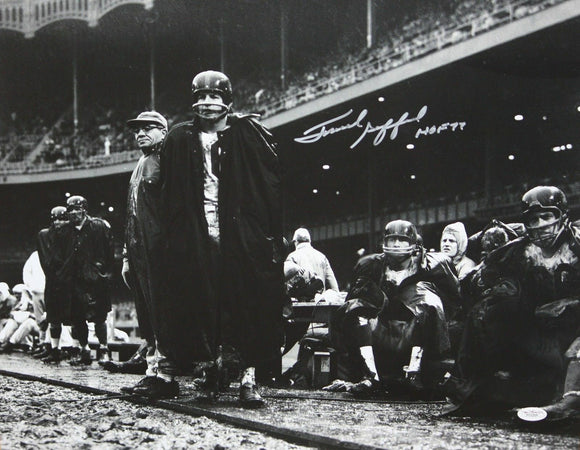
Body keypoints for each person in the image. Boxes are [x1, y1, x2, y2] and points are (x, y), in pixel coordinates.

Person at [153, 70, 285, 406]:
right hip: (196, 234)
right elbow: (168, 192)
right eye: (200, 97)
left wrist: (268, 233)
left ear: (227, 100)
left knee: (246, 303)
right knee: (200, 302)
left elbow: (270, 186)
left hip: (241, 235)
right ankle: (209, 371)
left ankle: (248, 379)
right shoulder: (180, 138)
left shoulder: (249, 134)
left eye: (214, 97)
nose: (207, 103)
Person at [443, 186, 580, 419]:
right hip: (543, 338)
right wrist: (497, 289)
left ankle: (571, 400)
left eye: (547, 216)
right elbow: (472, 285)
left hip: (574, 334)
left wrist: (572, 303)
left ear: (562, 215)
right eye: (533, 219)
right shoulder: (516, 252)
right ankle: (474, 388)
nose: (540, 224)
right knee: (489, 309)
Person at [325, 220, 460, 398]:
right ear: (384, 242)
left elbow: (453, 299)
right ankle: (370, 375)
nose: (396, 244)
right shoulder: (370, 265)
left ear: (413, 242)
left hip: (413, 331)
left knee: (428, 304)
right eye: (392, 239)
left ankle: (414, 373)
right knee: (354, 309)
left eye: (402, 240)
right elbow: (353, 299)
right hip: (380, 327)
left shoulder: (433, 264)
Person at [107, 111, 167, 387]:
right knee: (146, 311)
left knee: (161, 310)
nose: (140, 133)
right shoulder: (140, 163)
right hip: (138, 248)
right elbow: (131, 215)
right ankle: (151, 370)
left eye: (148, 128)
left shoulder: (167, 160)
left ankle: (165, 373)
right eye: (137, 130)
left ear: (163, 131)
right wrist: (126, 255)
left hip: (160, 248)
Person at [53, 195, 115, 366]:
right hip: (74, 280)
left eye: (77, 209)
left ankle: (104, 349)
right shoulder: (64, 231)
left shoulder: (99, 226)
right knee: (77, 317)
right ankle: (84, 349)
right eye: (70, 210)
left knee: (100, 316)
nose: (73, 213)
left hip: (95, 279)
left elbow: (110, 250)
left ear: (85, 209)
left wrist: (104, 272)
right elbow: (58, 255)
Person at [34, 206, 69, 362]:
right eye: (55, 219)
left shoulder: (72, 235)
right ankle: (54, 350)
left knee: (75, 318)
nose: (58, 222)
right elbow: (46, 261)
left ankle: (77, 349)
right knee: (53, 318)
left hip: (69, 280)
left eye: (61, 219)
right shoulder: (45, 235)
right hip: (54, 281)